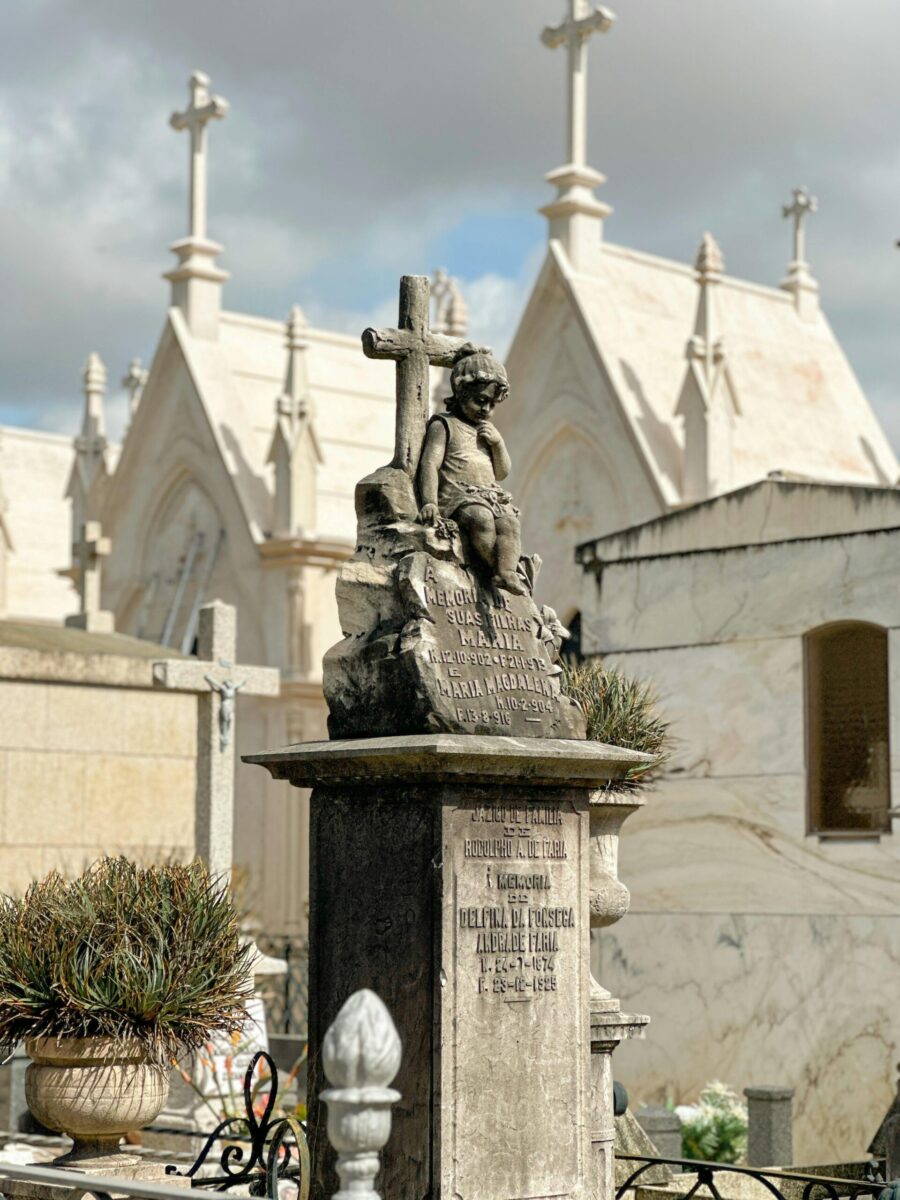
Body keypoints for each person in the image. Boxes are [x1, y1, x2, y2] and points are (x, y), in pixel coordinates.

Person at [417, 345, 526, 596]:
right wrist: (429, 502)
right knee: (481, 519)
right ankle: (493, 567)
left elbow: (502, 472)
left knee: (510, 524)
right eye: (481, 401)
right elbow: (430, 464)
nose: (486, 409)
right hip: (459, 495)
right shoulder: (444, 425)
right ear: (462, 391)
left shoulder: (487, 431)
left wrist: (498, 444)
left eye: (492, 404)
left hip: (490, 494)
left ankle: (507, 572)